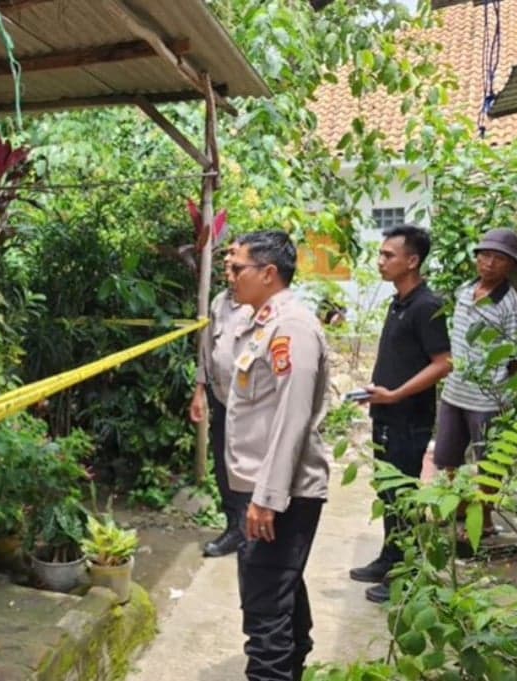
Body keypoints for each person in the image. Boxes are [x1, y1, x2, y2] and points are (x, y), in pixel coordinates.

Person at [224, 230, 330, 681]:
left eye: (237, 268)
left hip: (279, 495)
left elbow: (292, 417)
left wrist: (267, 498)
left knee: (265, 613)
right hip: (259, 489)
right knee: (280, 591)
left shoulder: (292, 328)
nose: (230, 276)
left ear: (268, 273)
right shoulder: (262, 323)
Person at [350, 225, 451, 603]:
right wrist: (379, 394)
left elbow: (444, 363)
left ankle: (405, 575)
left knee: (404, 495)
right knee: (388, 491)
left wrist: (395, 395)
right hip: (388, 414)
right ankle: (389, 558)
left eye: (388, 255)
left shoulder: (426, 305)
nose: (380, 261)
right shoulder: (399, 302)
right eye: (381, 254)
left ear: (412, 261)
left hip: (409, 419)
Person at [434, 228, 517, 537]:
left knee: (488, 463)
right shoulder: (465, 290)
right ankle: (457, 507)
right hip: (455, 391)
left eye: (499, 259)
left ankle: (484, 520)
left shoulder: (510, 305)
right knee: (447, 457)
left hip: (487, 398)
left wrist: (506, 393)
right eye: (485, 255)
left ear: (510, 265)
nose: (489, 263)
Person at [189, 239, 251, 557]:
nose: (227, 259)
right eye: (226, 253)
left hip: (252, 405)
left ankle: (251, 528)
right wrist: (199, 391)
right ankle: (234, 527)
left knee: (249, 466)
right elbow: (206, 350)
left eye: (234, 254)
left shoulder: (259, 304)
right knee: (224, 465)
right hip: (221, 399)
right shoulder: (219, 302)